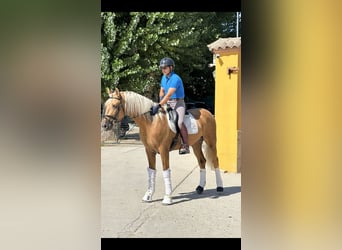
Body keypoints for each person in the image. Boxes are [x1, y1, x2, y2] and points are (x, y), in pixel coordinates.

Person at [150, 57, 190, 154]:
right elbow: (162, 91)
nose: (163, 70)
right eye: (162, 68)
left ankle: (185, 145)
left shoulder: (176, 78)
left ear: (171, 68)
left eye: (165, 68)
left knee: (179, 122)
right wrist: (160, 102)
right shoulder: (164, 78)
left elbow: (168, 95)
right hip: (167, 103)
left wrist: (159, 105)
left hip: (178, 103)